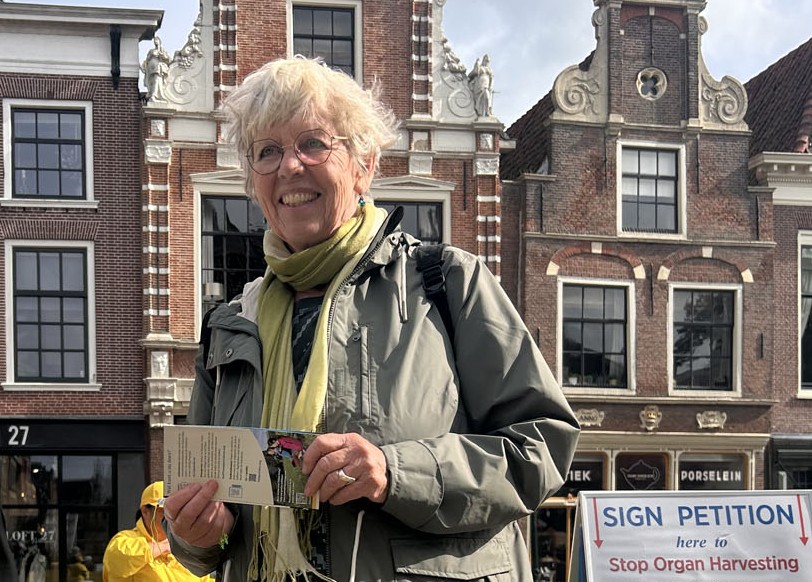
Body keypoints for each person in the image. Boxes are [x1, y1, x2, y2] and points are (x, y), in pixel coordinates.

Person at [163, 55, 579, 582]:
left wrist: (394, 472)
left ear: (364, 165)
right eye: (267, 151)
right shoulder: (228, 326)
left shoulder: (449, 283)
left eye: (313, 143)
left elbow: (542, 446)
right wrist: (199, 534)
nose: (289, 166)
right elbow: (206, 532)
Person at [102, 482, 211, 582]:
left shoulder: (189, 548)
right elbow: (116, 561)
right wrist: (164, 547)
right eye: (166, 511)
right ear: (145, 511)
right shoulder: (124, 541)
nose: (173, 517)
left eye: (178, 511)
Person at [141, 37, 171, 102]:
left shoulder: (162, 50)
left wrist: (162, 55)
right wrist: (151, 55)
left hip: (159, 68)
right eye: (154, 40)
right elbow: (147, 60)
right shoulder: (151, 51)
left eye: (157, 40)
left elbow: (168, 59)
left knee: (157, 79)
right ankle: (154, 94)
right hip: (151, 68)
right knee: (153, 81)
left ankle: (155, 95)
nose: (155, 41)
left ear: (160, 41)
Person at [469, 53, 494, 117]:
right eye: (486, 60)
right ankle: (480, 112)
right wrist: (476, 64)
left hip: (486, 85)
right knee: (480, 98)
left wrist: (490, 86)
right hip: (479, 85)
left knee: (487, 97)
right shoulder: (480, 67)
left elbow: (491, 78)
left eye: (488, 61)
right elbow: (473, 73)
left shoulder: (489, 70)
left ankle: (487, 112)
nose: (486, 62)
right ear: (483, 60)